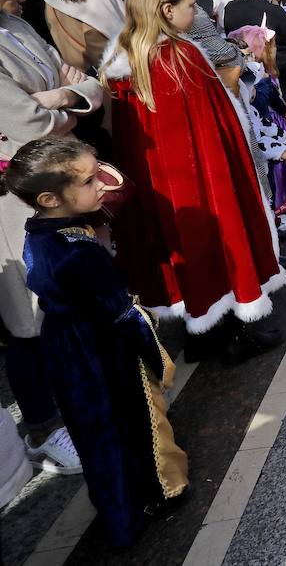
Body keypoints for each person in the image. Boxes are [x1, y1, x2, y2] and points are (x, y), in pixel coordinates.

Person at [3, 137, 188, 545]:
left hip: (69, 343)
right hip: (99, 349)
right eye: (90, 181)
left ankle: (119, 510)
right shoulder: (76, 251)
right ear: (51, 198)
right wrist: (153, 350)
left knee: (96, 431)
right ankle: (155, 494)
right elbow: (120, 314)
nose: (103, 184)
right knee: (129, 421)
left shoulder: (42, 229)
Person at [101, 0, 284, 359]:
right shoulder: (179, 56)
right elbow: (212, 127)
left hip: (160, 182)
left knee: (178, 248)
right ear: (167, 10)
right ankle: (230, 338)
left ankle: (199, 337)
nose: (194, 12)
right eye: (189, 6)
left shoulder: (125, 56)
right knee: (217, 244)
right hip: (200, 176)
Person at [0, 0, 101, 478]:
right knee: (28, 315)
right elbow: (28, 128)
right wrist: (59, 103)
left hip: (56, 190)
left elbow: (82, 88)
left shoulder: (15, 24)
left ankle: (72, 405)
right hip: (12, 206)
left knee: (63, 303)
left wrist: (62, 97)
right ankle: (41, 425)